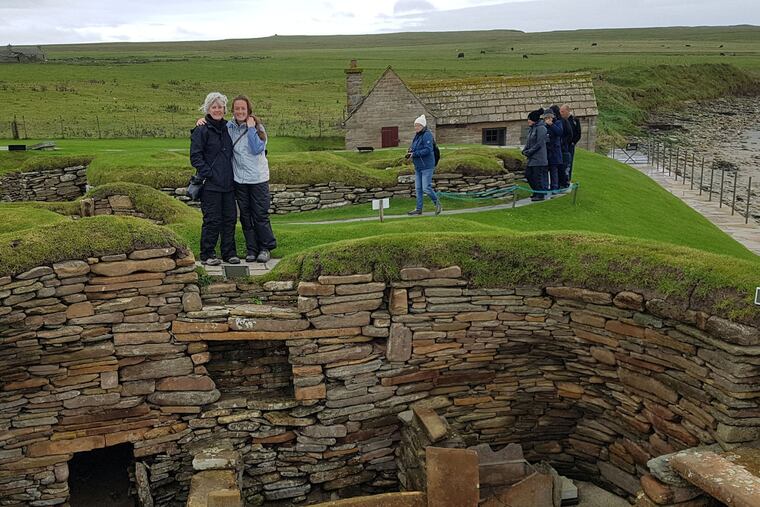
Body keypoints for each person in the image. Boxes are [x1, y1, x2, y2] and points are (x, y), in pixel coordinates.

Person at [190, 92, 239, 266]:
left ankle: (229, 253)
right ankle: (207, 254)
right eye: (214, 107)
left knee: (230, 218)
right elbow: (195, 157)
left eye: (220, 107)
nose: (217, 110)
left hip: (229, 183)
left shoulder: (229, 127)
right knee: (212, 220)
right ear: (208, 108)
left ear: (225, 109)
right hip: (210, 185)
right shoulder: (201, 129)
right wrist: (209, 174)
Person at [406, 114, 442, 216]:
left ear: (423, 126)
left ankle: (437, 204)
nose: (416, 128)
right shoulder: (417, 136)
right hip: (418, 166)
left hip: (427, 166)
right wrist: (410, 151)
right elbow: (414, 147)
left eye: (418, 126)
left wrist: (414, 154)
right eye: (415, 126)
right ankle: (418, 209)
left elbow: (428, 149)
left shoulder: (427, 135)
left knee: (426, 188)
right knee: (418, 188)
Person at [522, 108, 548, 201]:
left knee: (537, 177)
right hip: (532, 158)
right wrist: (525, 150)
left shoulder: (541, 128)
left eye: (529, 119)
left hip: (539, 159)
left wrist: (529, 152)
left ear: (533, 119)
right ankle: (536, 191)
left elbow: (539, 144)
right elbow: (529, 142)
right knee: (529, 175)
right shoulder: (531, 129)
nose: (528, 121)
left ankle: (540, 194)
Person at [543, 108, 564, 194]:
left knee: (554, 170)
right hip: (546, 150)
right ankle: (545, 187)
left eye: (549, 117)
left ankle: (554, 187)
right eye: (546, 117)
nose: (548, 118)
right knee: (545, 169)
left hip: (555, 150)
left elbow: (559, 132)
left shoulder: (558, 123)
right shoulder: (543, 125)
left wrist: (551, 124)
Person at [560, 104, 582, 182]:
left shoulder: (574, 120)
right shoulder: (561, 120)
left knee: (569, 162)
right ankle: (562, 178)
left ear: (567, 111)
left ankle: (568, 179)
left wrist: (573, 143)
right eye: (560, 111)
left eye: (562, 111)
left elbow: (578, 134)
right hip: (562, 145)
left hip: (570, 145)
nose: (561, 113)